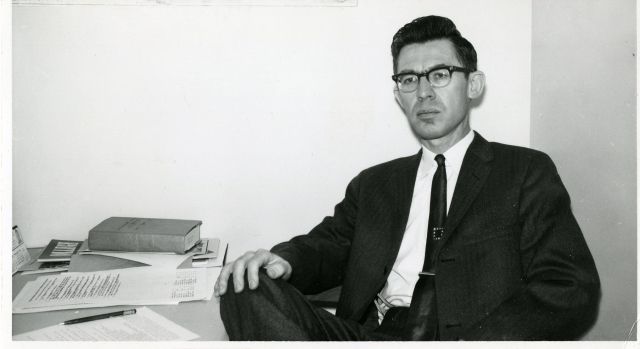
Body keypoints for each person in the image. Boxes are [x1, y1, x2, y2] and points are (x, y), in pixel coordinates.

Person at [214, 15, 600, 341]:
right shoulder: (375, 183)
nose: (424, 92)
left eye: (440, 74)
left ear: (474, 85)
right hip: (372, 335)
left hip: (471, 337)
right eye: (409, 80)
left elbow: (569, 285)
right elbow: (325, 246)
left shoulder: (524, 171)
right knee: (243, 284)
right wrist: (282, 260)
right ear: (398, 94)